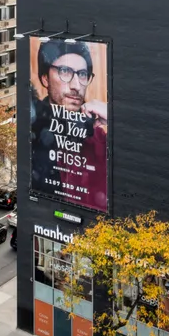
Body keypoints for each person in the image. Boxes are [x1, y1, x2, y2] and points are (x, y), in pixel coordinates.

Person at [29, 39, 109, 212]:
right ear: (45, 78)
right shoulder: (31, 130)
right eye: (65, 71)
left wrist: (116, 119)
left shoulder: (99, 138)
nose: (76, 85)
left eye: (82, 74)